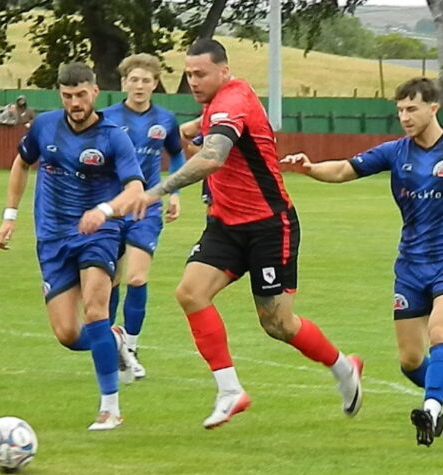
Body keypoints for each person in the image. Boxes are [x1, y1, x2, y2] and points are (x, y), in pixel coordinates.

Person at [93, 39, 364, 430]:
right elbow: (196, 132)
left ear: (224, 71)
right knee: (190, 292)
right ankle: (229, 390)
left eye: (200, 74)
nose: (194, 81)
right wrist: (172, 131)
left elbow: (213, 155)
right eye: (188, 74)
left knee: (277, 324)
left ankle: (343, 367)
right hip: (225, 224)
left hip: (270, 225)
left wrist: (156, 191)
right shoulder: (213, 106)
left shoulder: (233, 101)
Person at [281, 77, 443, 447]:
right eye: (400, 111)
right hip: (410, 265)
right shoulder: (395, 152)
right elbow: (346, 169)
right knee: (410, 360)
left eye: (412, 109)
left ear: (433, 108)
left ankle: (432, 409)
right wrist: (310, 168)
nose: (405, 117)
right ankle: (435, 396)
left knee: (441, 332)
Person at [0, 62, 143, 431]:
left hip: (99, 233)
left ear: (95, 92)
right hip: (52, 236)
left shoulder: (113, 136)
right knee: (67, 334)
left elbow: (136, 190)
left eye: (81, 95)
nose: (75, 103)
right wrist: (9, 215)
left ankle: (110, 408)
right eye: (67, 96)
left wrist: (104, 211)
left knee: (95, 310)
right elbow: (21, 163)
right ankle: (115, 339)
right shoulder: (44, 126)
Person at [102, 53, 187, 379]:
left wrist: (175, 192)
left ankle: (132, 347)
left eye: (146, 80)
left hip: (147, 207)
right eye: (134, 80)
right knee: (110, 280)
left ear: (155, 84)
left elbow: (177, 155)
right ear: (124, 83)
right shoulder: (106, 118)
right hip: (113, 206)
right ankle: (110, 347)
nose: (139, 86)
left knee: (137, 277)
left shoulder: (165, 120)